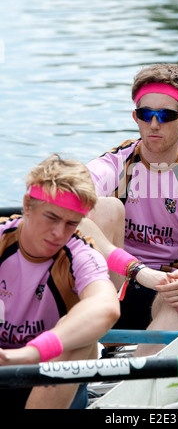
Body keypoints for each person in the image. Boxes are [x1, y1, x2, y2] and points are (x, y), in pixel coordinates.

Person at [86, 63, 178, 357]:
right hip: (113, 285)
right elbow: (67, 206)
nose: (154, 124)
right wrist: (136, 270)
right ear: (135, 118)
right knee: (103, 208)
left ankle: (135, 378)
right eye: (145, 114)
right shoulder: (113, 165)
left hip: (165, 295)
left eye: (166, 116)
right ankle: (88, 348)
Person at [0, 154, 120, 409]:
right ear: (28, 205)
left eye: (71, 224)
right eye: (52, 218)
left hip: (48, 372)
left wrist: (31, 352)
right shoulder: (2, 239)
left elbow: (106, 308)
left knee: (81, 333)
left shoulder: (81, 254)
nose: (59, 233)